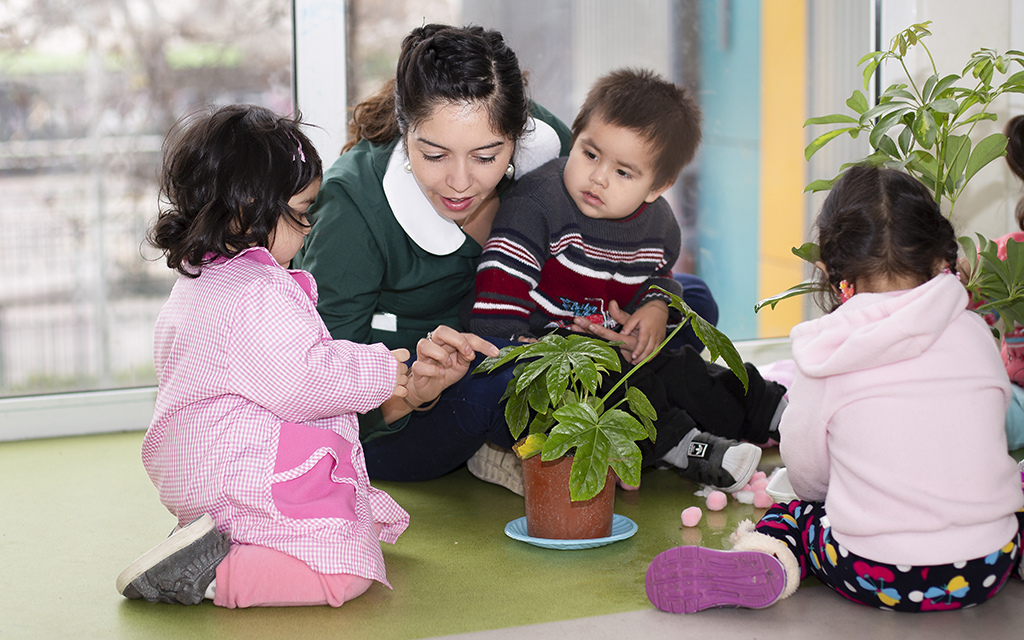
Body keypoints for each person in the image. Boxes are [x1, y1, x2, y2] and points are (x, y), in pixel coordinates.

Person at [291, 24, 722, 491]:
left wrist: (629, 318)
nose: (460, 182)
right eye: (434, 155)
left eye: (486, 157)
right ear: (404, 129)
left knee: (690, 304)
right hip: (406, 414)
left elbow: (625, 232)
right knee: (498, 387)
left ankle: (540, 436)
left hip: (537, 335)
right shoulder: (353, 209)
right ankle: (518, 441)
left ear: (517, 136)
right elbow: (321, 394)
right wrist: (414, 392)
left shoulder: (558, 152)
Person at [116, 105, 461, 608]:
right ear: (249, 209)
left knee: (339, 524)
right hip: (240, 472)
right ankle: (213, 575)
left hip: (200, 469)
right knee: (342, 574)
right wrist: (379, 371)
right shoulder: (257, 290)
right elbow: (302, 380)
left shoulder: (202, 281)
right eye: (302, 211)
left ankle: (207, 545)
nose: (307, 228)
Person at [645, 165, 1024, 614]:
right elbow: (990, 426)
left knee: (795, 518)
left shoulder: (828, 351)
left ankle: (770, 560)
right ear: (940, 253)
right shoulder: (974, 332)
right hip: (987, 564)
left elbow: (806, 477)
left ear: (829, 271)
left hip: (877, 573)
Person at [471, 68, 786, 492]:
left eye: (624, 173)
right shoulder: (535, 207)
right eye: (590, 154)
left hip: (612, 342)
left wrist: (656, 306)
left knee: (682, 369)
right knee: (616, 385)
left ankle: (776, 411)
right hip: (545, 360)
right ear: (576, 135)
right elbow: (494, 318)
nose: (598, 177)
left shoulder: (659, 225)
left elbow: (659, 275)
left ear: (658, 186)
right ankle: (687, 448)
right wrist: (551, 357)